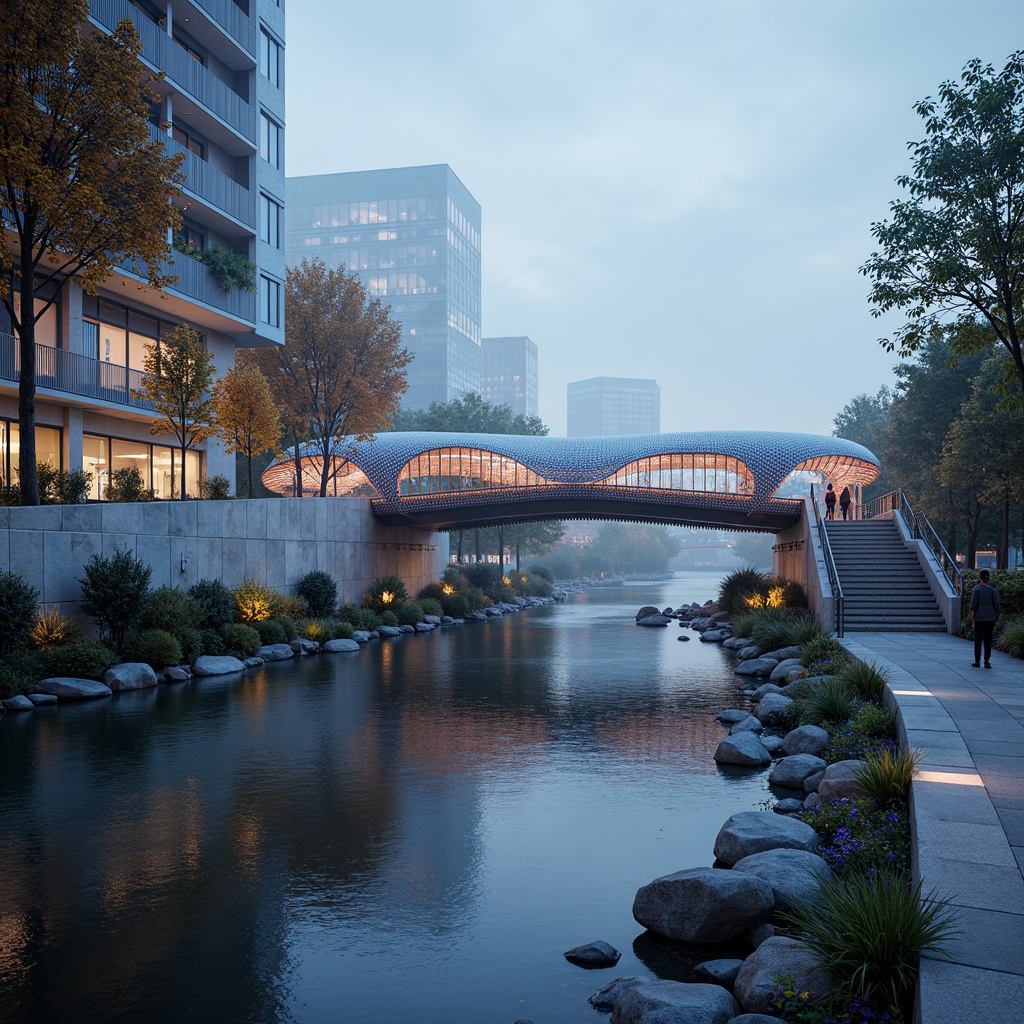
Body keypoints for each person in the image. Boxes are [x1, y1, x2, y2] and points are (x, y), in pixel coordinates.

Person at [970, 569, 1000, 668]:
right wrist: (996, 617)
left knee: (978, 640)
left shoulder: (977, 589)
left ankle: (977, 661)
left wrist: (973, 618)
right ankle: (986, 661)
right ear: (988, 578)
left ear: (980, 577)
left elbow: (973, 606)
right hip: (990, 618)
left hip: (979, 618)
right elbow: (997, 606)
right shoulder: (992, 590)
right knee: (988, 640)